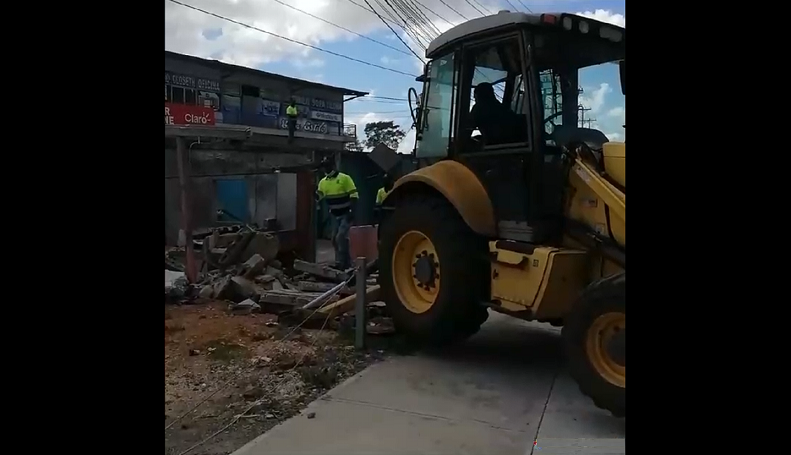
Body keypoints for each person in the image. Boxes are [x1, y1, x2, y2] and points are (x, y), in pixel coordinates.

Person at [316, 157, 358, 270]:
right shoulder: (323, 182)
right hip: (334, 215)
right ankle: (341, 261)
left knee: (341, 237)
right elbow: (318, 197)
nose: (326, 168)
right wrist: (311, 189)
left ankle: (344, 262)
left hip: (345, 213)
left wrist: (351, 212)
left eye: (328, 166)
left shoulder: (344, 178)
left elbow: (354, 195)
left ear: (333, 166)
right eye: (324, 166)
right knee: (334, 239)